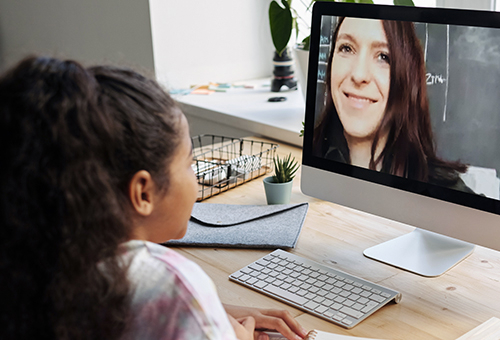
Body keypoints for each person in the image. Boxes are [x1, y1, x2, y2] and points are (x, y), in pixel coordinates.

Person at [0, 56, 309, 340]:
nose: (197, 177)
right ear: (143, 193)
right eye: (189, 163)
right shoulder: (171, 284)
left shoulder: (40, 262)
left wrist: (209, 308)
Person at [313, 17, 474, 193]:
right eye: (346, 48)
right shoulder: (309, 159)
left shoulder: (443, 194)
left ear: (407, 78)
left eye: (383, 57)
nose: (358, 75)